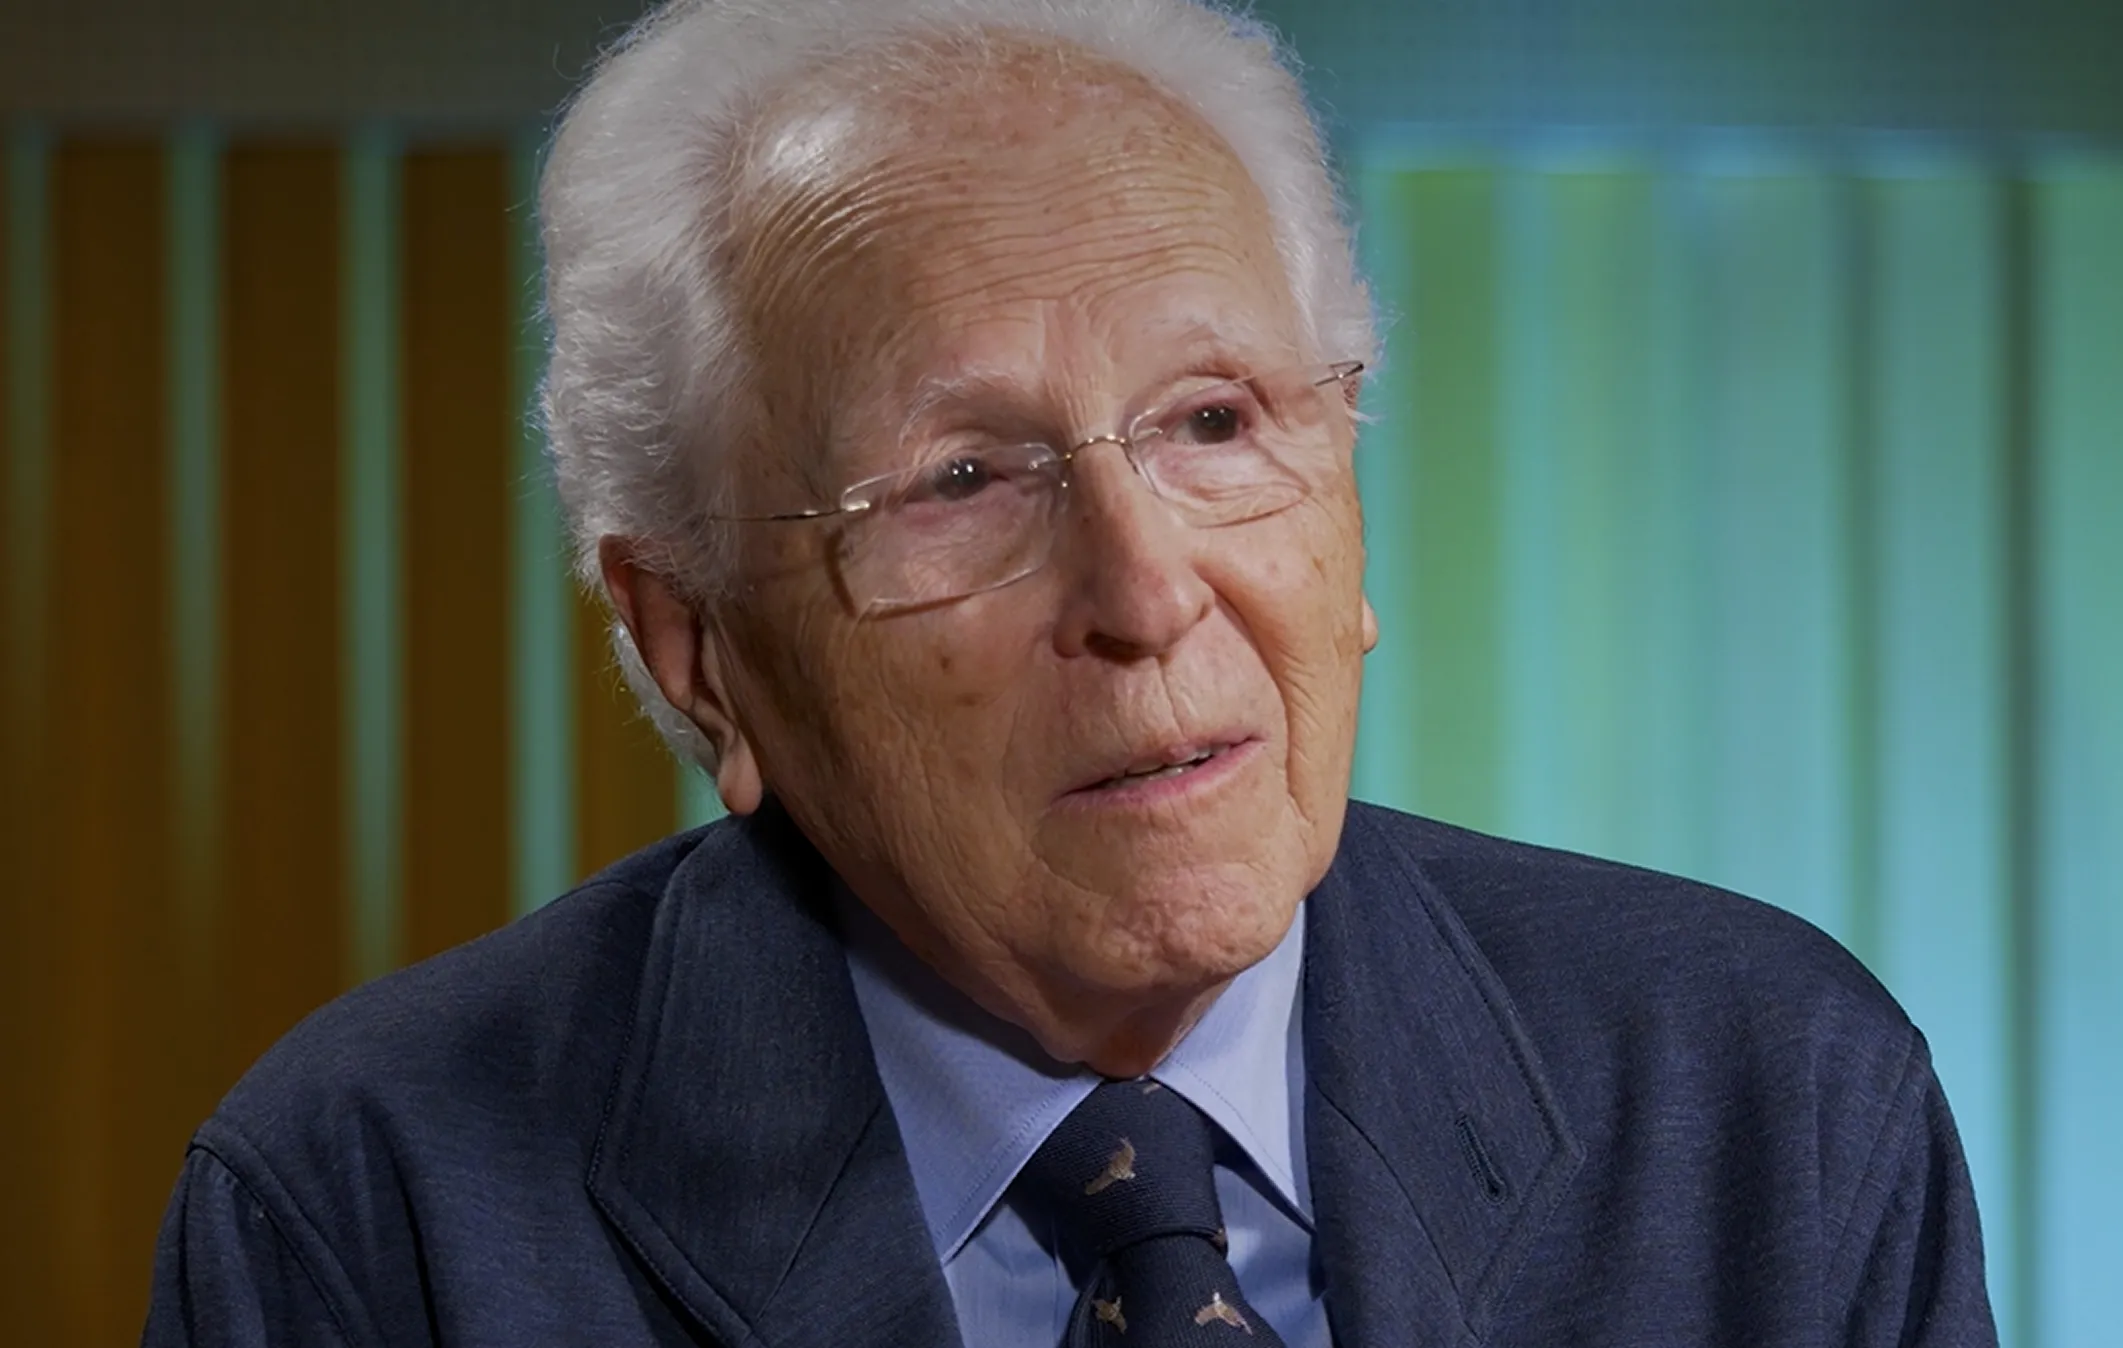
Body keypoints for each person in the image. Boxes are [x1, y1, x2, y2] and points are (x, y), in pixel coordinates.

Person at [143, 1, 1998, 1344]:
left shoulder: (1767, 1103)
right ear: (695, 650)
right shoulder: (369, 1216)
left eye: (1213, 420)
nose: (1146, 592)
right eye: (959, 481)